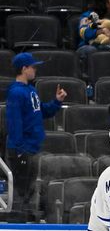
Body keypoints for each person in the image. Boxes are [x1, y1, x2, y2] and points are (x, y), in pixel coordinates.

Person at [5, 52, 66, 212]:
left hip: (31, 148)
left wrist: (56, 102)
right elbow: (14, 123)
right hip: (22, 150)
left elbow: (42, 111)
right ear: (24, 69)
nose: (35, 70)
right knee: (21, 192)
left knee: (30, 191)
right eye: (32, 67)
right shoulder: (16, 93)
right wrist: (19, 150)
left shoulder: (30, 89)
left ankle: (28, 220)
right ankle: (19, 224)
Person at [77, 0, 110, 68]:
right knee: (92, 51)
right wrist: (103, 30)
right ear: (105, 2)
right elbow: (85, 33)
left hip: (108, 46)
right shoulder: (88, 15)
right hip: (88, 46)